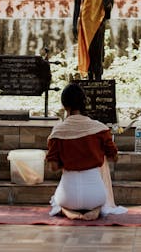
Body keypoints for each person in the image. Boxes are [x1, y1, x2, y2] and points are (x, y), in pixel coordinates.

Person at [46, 83, 126, 219]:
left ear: (64, 106)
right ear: (84, 103)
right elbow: (114, 158)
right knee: (100, 201)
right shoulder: (100, 129)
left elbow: (53, 167)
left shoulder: (58, 132)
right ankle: (96, 210)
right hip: (96, 195)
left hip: (68, 196)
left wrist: (70, 160)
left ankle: (67, 211)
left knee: (56, 201)